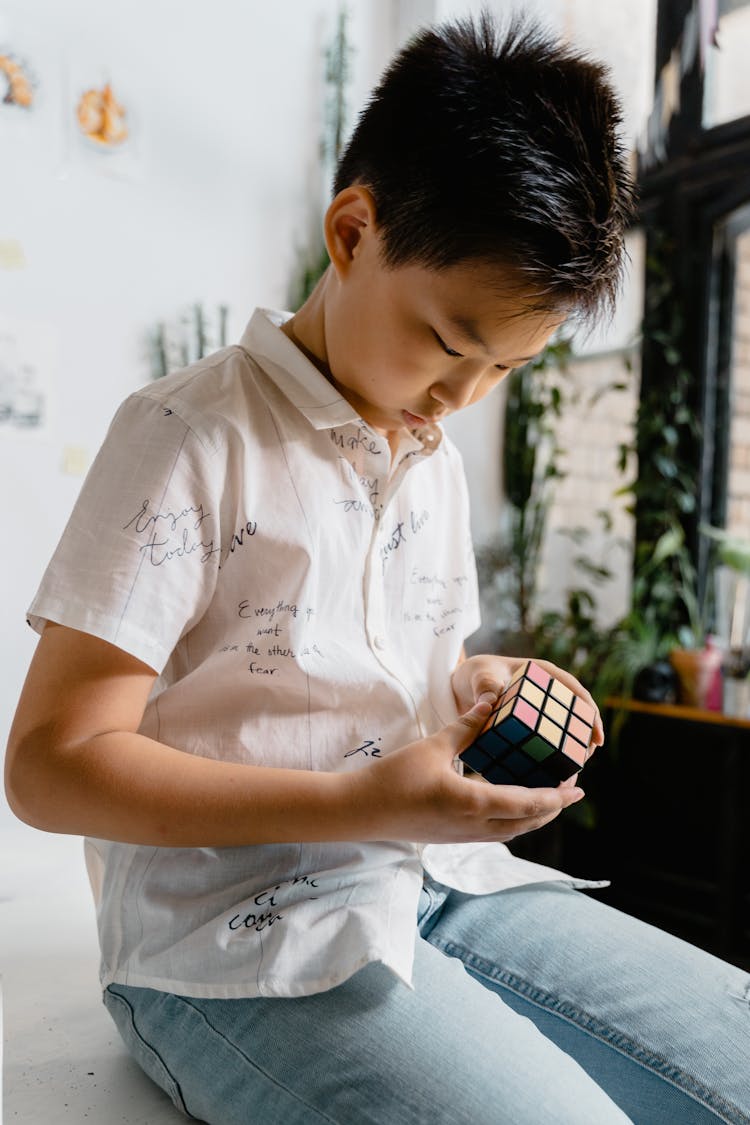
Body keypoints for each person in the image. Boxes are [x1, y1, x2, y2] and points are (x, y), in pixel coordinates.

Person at [5, 13, 749, 1125]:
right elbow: (51, 765)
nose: (463, 398)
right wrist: (354, 797)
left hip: (439, 885)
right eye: (451, 344)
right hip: (228, 945)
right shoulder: (186, 433)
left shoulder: (428, 458)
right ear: (353, 232)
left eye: (506, 366)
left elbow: (387, 672)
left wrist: (475, 687)